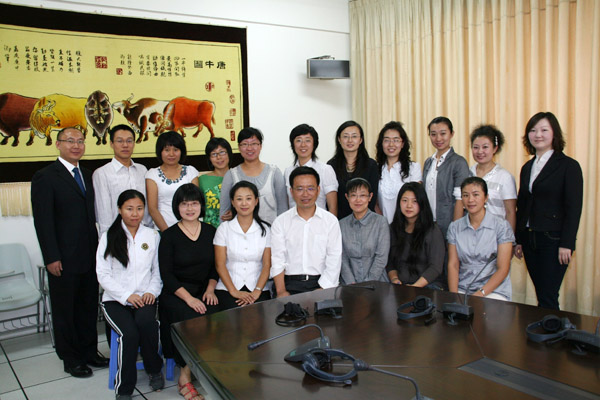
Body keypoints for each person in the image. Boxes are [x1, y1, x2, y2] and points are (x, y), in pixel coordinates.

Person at [31, 127, 108, 378]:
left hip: (89, 254)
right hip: (62, 258)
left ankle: (89, 352)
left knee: (87, 307)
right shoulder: (45, 177)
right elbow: (43, 221)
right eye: (70, 141)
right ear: (58, 144)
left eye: (80, 141)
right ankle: (71, 358)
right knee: (65, 310)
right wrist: (51, 257)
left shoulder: (87, 174)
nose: (76, 145)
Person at [96, 190, 163, 400]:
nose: (135, 214)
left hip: (145, 297)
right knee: (129, 334)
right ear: (120, 210)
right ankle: (124, 388)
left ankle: (154, 370)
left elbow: (157, 271)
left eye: (139, 208)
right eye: (129, 209)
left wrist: (151, 291)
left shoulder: (152, 236)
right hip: (115, 300)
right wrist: (126, 296)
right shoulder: (108, 236)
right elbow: (103, 274)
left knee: (147, 325)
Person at [514, 112, 583, 310]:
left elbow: (574, 208)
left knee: (548, 295)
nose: (538, 135)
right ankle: (548, 325)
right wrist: (519, 239)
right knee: (542, 293)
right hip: (530, 239)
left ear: (554, 134)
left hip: (553, 240)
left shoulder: (568, 166)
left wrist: (567, 243)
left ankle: (551, 327)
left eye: (544, 130)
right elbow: (522, 205)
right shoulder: (527, 167)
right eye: (533, 130)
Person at [159, 183, 217, 400]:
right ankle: (185, 376)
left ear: (201, 206)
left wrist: (210, 290)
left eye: (194, 203)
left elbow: (216, 267)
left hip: (203, 290)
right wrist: (189, 299)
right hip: (177, 293)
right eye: (184, 204)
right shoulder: (169, 236)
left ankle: (202, 367)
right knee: (193, 317)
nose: (190, 208)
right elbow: (167, 275)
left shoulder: (211, 231)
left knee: (220, 314)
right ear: (177, 207)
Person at [271, 166, 342, 296]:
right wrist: (281, 291)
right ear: (291, 191)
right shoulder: (280, 222)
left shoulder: (330, 221)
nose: (305, 194)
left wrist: (323, 288)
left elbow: (334, 258)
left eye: (310, 188)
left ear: (318, 190)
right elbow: (277, 260)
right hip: (289, 285)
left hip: (321, 283)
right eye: (299, 189)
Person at [447, 177, 514, 301]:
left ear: (486, 197)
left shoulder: (501, 226)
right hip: (463, 287)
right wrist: (454, 296)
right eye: (465, 195)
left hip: (494, 290)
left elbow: (503, 268)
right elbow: (453, 265)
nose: (470, 200)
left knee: (481, 310)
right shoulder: (454, 227)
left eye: (476, 195)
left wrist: (479, 294)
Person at [214, 181, 272, 310]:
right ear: (233, 202)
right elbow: (220, 264)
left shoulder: (266, 229)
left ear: (256, 201)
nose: (244, 203)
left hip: (259, 290)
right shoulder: (224, 228)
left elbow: (267, 264)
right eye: (239, 199)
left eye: (248, 198)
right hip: (227, 289)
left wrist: (257, 290)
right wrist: (234, 291)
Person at [93, 124, 154, 237]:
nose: (125, 145)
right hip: (117, 234)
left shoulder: (142, 170)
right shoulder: (102, 173)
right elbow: (103, 211)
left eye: (129, 141)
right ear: (111, 144)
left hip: (144, 232)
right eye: (120, 141)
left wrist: (150, 231)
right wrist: (107, 238)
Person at [220, 127, 287, 224]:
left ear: (260, 146)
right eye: (245, 144)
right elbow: (224, 214)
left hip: (271, 231)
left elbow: (283, 209)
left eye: (254, 143)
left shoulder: (274, 173)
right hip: (240, 232)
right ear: (239, 147)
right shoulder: (231, 175)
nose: (249, 148)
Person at [386, 182, 445, 288]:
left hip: (428, 286)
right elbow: (390, 262)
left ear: (422, 203)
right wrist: (395, 279)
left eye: (415, 201)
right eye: (405, 200)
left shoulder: (432, 230)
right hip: (401, 286)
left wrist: (414, 287)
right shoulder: (393, 228)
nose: (409, 205)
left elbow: (435, 268)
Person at [422, 116, 470, 238]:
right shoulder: (428, 162)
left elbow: (460, 199)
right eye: (433, 134)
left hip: (449, 225)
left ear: (451, 134)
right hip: (428, 224)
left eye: (443, 133)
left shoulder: (459, 162)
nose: (438, 138)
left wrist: (455, 229)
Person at [145, 131, 199, 231]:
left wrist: (190, 231)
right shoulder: (152, 174)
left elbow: (196, 203)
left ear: (181, 151)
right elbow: (152, 209)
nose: (171, 154)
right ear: (160, 152)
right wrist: (167, 233)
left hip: (190, 229)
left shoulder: (191, 171)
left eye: (176, 150)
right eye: (167, 150)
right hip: (163, 229)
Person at [339, 178, 389, 284]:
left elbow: (381, 258)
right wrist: (352, 284)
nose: (358, 200)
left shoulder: (381, 222)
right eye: (353, 195)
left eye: (362, 195)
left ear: (370, 197)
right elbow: (342, 258)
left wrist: (366, 284)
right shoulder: (341, 224)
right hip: (349, 284)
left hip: (377, 283)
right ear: (347, 197)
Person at [327, 120, 379, 220]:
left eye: (354, 136)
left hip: (366, 220)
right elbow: (330, 199)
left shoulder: (371, 165)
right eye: (345, 136)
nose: (350, 140)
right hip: (340, 220)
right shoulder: (331, 166)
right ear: (339, 139)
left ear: (360, 140)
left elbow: (372, 198)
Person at [469, 124, 517, 231]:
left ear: (495, 148)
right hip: (471, 233)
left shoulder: (505, 177)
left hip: (496, 234)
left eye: (485, 147)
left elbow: (510, 212)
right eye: (476, 147)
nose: (480, 151)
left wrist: (509, 238)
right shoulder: (467, 173)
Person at [284, 123, 338, 215]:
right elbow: (289, 204)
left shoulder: (325, 170)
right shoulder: (288, 171)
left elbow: (333, 207)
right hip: (294, 221)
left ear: (314, 144)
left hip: (320, 221)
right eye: (298, 140)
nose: (303, 145)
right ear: (293, 144)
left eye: (308, 140)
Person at [375, 121, 422, 224]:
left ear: (402, 143)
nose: (391, 144)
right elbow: (374, 202)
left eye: (396, 140)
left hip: (407, 226)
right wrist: (383, 225)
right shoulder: (375, 168)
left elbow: (417, 200)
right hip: (382, 225)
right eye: (387, 140)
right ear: (381, 143)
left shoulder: (414, 168)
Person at [199, 137, 232, 228]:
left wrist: (235, 212)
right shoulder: (202, 180)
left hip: (234, 230)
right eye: (214, 154)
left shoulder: (238, 177)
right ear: (209, 158)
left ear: (229, 154)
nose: (219, 157)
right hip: (209, 230)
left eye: (222, 152)